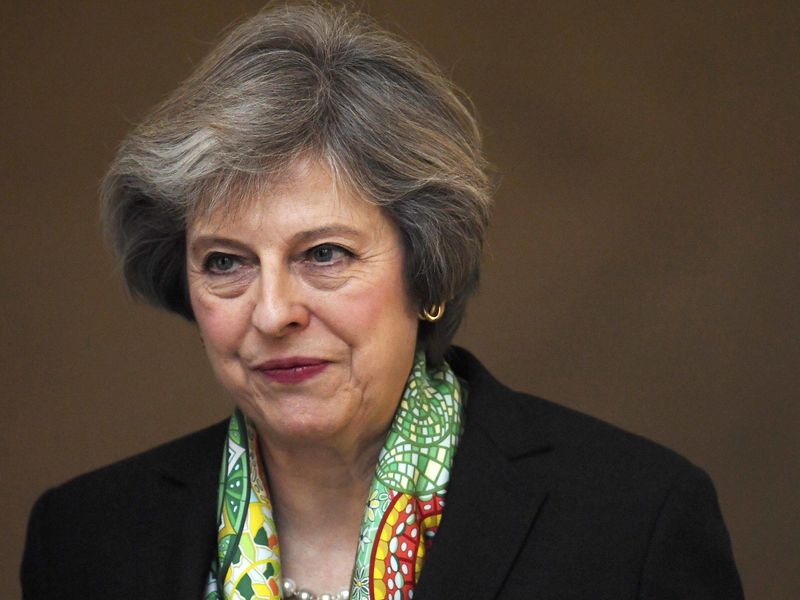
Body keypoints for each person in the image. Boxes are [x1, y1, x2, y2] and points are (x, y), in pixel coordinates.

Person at [21, 4, 744, 599]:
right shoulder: (85, 540)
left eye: (324, 254)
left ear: (427, 271)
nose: (273, 314)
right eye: (225, 263)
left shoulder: (635, 522)